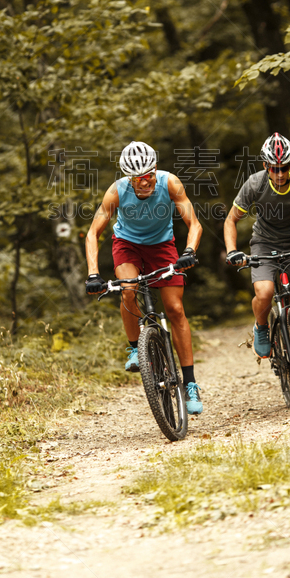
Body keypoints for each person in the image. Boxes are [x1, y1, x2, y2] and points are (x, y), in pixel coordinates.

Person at [85, 141, 204, 414]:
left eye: (149, 175)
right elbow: (93, 234)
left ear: (155, 170)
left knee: (174, 309)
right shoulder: (116, 192)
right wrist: (92, 273)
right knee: (128, 289)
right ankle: (134, 348)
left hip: (163, 246)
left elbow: (194, 224)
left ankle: (190, 384)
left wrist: (189, 251)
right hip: (126, 245)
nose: (145, 182)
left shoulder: (170, 183)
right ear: (129, 178)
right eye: (138, 178)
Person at [223, 132, 290, 386]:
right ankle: (261, 328)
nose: (280, 174)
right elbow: (231, 219)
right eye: (274, 168)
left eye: (284, 168)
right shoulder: (254, 184)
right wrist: (232, 251)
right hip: (264, 243)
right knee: (264, 292)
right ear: (265, 166)